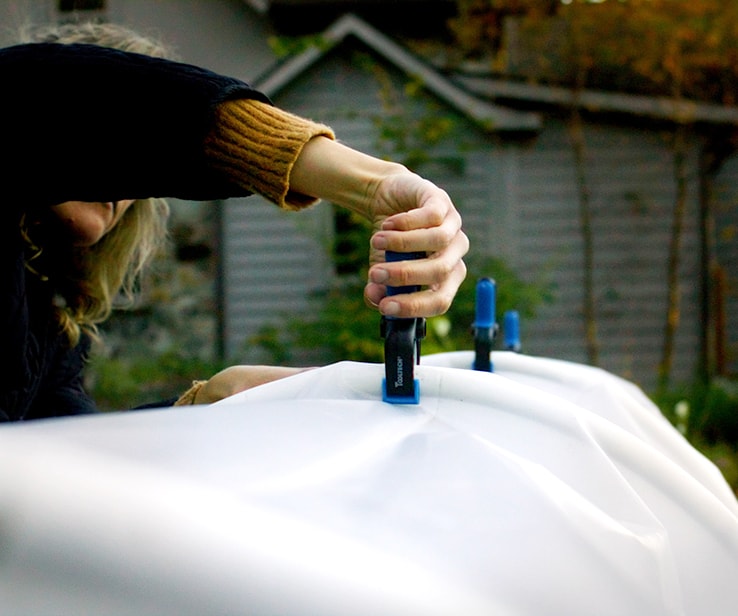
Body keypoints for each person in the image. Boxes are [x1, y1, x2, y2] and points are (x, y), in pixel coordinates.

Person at [0, 22, 468, 421]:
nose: (117, 185)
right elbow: (32, 96)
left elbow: (64, 460)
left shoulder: (50, 328)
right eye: (99, 147)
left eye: (134, 169)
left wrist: (208, 403)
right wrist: (373, 184)